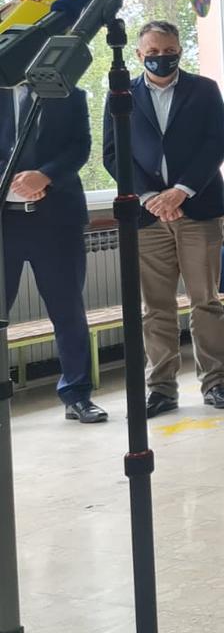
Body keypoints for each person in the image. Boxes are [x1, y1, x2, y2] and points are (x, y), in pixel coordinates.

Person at [103, 20, 224, 418]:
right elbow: (113, 153)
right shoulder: (120, 94)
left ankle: (215, 382)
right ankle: (161, 389)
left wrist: (180, 191)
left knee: (206, 301)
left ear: (179, 50)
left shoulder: (204, 89)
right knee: (155, 307)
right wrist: (151, 198)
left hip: (198, 209)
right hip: (147, 217)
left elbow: (216, 145)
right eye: (153, 52)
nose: (161, 58)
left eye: (168, 51)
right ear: (138, 54)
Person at [1, 85, 105, 423]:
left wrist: (44, 176)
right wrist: (11, 181)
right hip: (4, 225)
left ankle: (77, 396)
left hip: (58, 222)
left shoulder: (70, 94)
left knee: (68, 312)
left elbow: (80, 147)